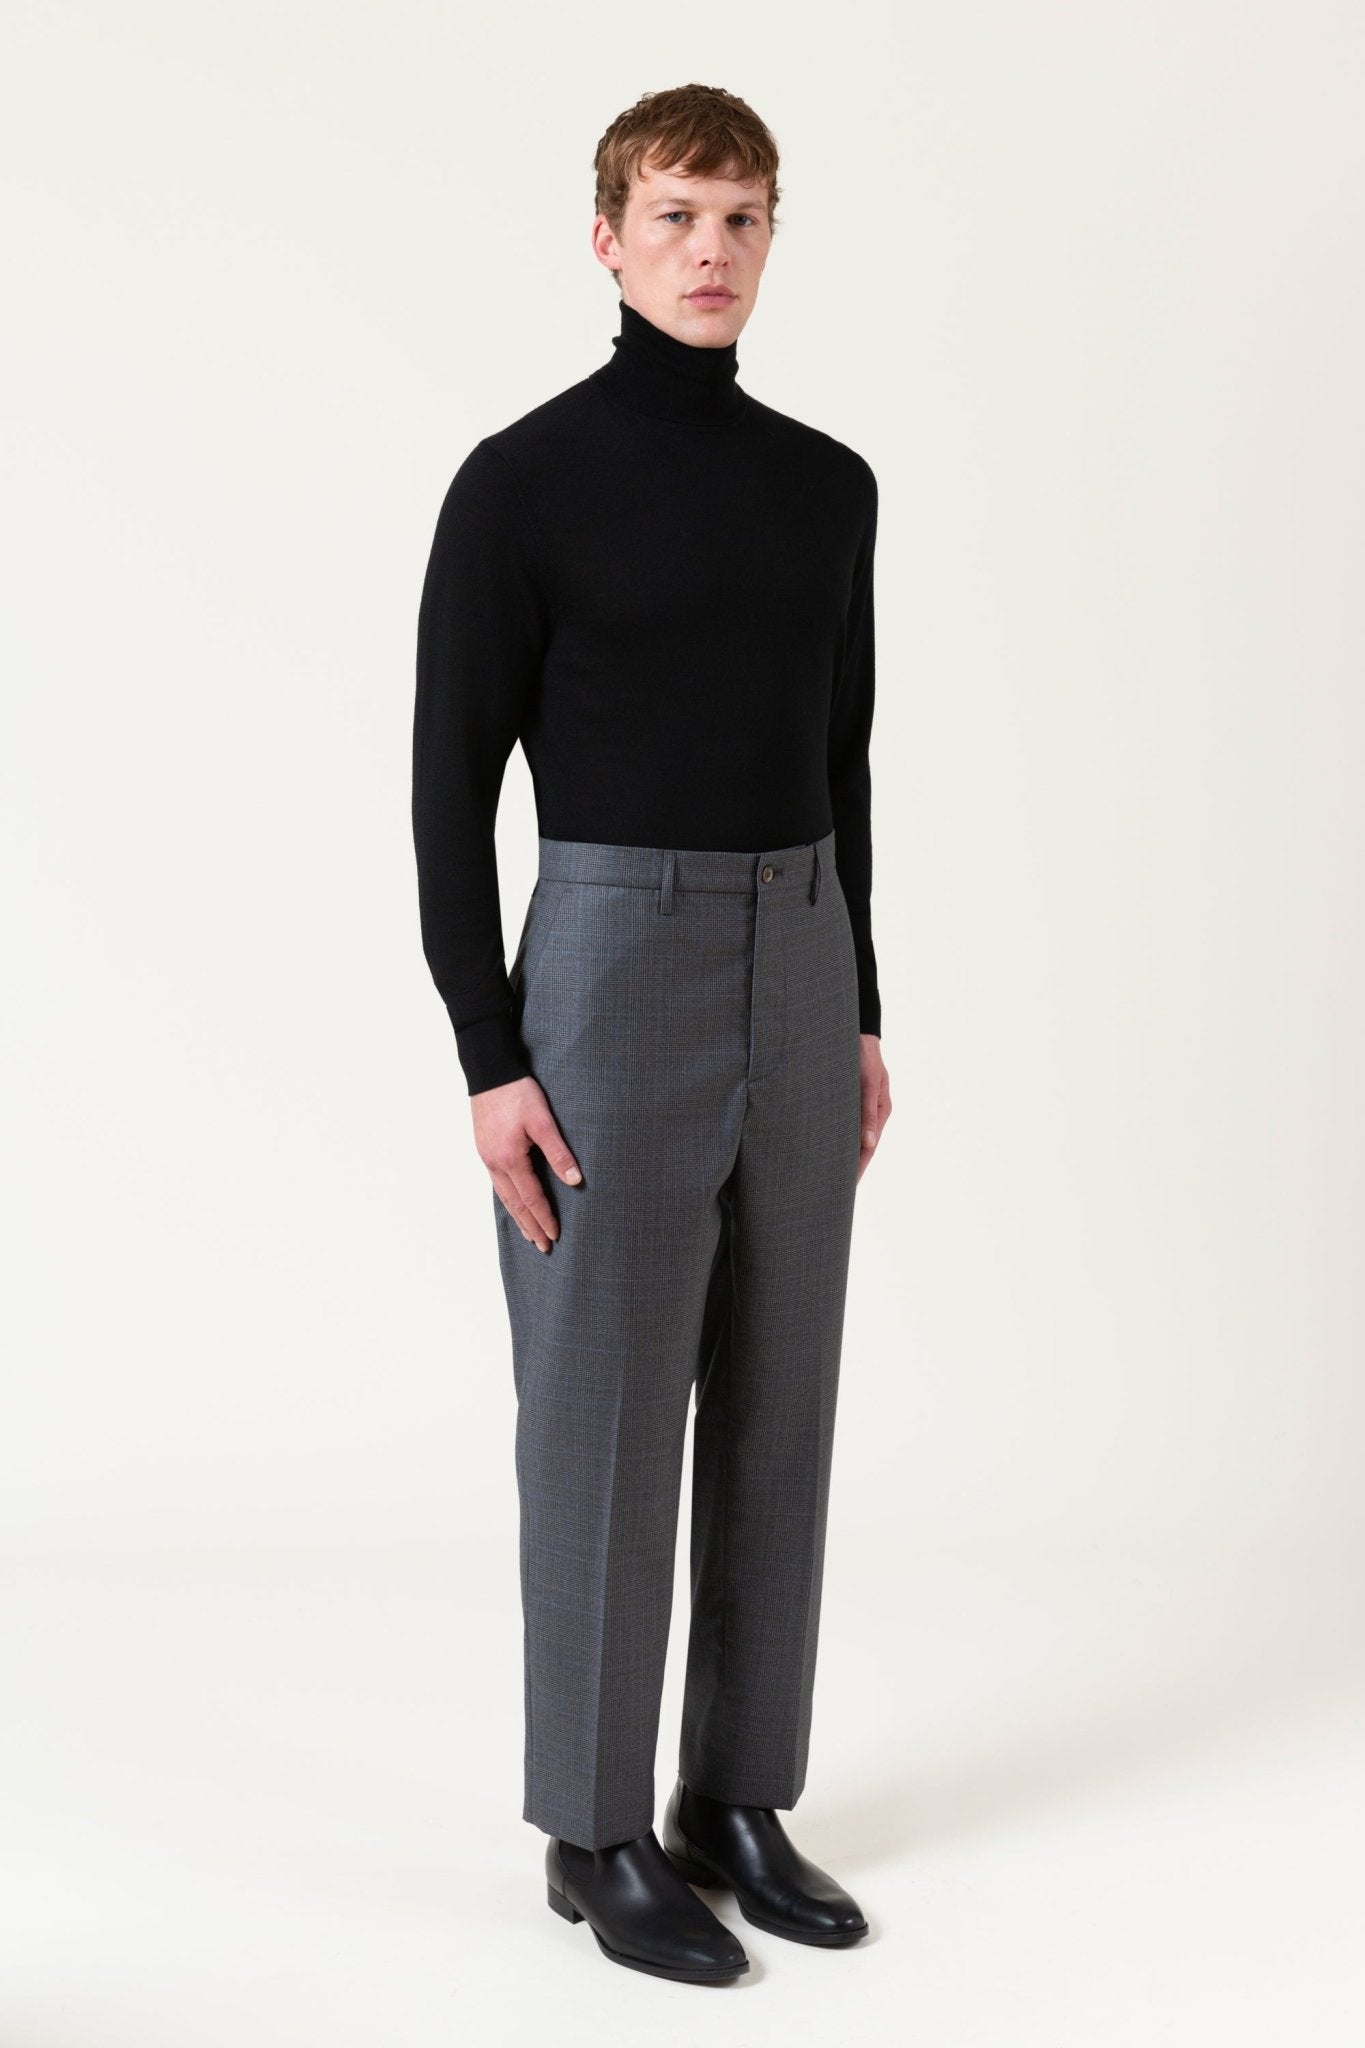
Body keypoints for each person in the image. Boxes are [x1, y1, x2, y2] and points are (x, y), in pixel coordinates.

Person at [412, 82, 892, 1984]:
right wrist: (487, 1051)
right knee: (605, 1404)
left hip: (801, 943)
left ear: (772, 240)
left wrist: (859, 1007)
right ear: (606, 238)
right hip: (609, 962)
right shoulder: (519, 483)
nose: (712, 250)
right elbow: (448, 787)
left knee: (780, 1392)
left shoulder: (829, 487)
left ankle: (734, 1797)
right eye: (678, 215)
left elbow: (841, 759)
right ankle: (595, 1827)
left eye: (743, 217)